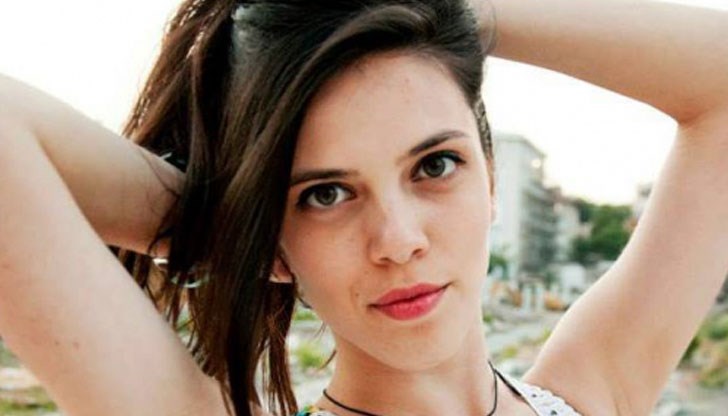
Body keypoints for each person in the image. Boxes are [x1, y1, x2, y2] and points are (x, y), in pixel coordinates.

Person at [0, 0, 726, 415]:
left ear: (489, 177)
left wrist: (455, 10)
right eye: (325, 194)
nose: (398, 240)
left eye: (434, 166)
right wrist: (238, 228)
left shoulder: (593, 391)